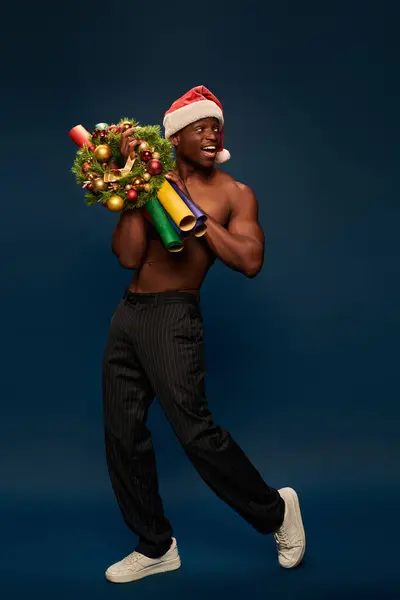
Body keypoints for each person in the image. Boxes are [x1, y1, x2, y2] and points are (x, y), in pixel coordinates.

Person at [102, 86, 306, 584]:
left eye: (217, 126)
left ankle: (276, 513)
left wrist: (195, 214)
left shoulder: (236, 194)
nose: (213, 134)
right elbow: (128, 257)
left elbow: (249, 261)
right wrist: (137, 190)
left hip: (175, 318)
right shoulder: (155, 179)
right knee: (122, 436)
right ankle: (155, 546)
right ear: (176, 136)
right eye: (201, 127)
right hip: (129, 315)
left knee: (196, 433)